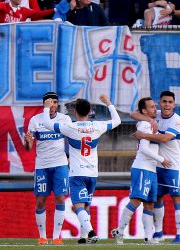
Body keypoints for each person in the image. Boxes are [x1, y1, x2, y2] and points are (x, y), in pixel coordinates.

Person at [42, 94, 121, 244]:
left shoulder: (70, 127)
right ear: (90, 111)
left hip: (77, 173)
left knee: (78, 205)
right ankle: (84, 237)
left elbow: (47, 123)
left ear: (75, 112)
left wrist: (46, 108)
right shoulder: (97, 126)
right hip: (92, 173)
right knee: (85, 205)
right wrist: (108, 103)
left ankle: (91, 233)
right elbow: (117, 121)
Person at [111, 97, 171, 244]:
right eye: (151, 107)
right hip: (142, 167)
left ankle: (147, 237)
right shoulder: (145, 124)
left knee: (150, 203)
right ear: (144, 111)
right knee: (136, 201)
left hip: (151, 169)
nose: (155, 109)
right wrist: (161, 159)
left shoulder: (151, 122)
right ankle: (119, 230)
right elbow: (144, 149)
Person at [131, 91, 180, 244]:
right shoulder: (157, 115)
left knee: (176, 198)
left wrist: (143, 135)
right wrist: (148, 118)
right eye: (164, 102)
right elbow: (133, 114)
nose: (167, 105)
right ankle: (158, 232)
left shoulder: (177, 120)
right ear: (160, 103)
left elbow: (164, 138)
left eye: (170, 102)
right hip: (156, 165)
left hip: (172, 165)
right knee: (157, 198)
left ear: (174, 104)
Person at [24, 92, 72, 245]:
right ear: (44, 104)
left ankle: (57, 237)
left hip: (60, 165)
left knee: (60, 197)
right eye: (49, 103)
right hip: (42, 166)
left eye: (55, 103)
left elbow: (71, 140)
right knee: (40, 200)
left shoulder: (65, 119)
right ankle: (43, 237)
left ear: (58, 104)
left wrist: (70, 158)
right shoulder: (35, 120)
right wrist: (27, 141)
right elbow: (28, 147)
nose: (52, 106)